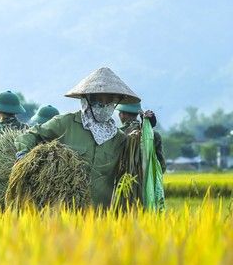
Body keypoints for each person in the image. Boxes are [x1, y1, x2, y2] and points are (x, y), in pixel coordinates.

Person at [15, 67, 153, 207]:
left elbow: (140, 160)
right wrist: (24, 156)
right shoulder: (66, 123)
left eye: (109, 103)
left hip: (100, 213)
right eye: (99, 102)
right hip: (64, 210)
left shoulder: (118, 138)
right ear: (87, 101)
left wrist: (146, 128)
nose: (104, 106)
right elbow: (30, 135)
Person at [118, 102, 167, 172]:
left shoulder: (119, 134)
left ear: (122, 115)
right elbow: (162, 166)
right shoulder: (153, 135)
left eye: (120, 113)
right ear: (137, 114)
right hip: (146, 179)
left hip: (124, 180)